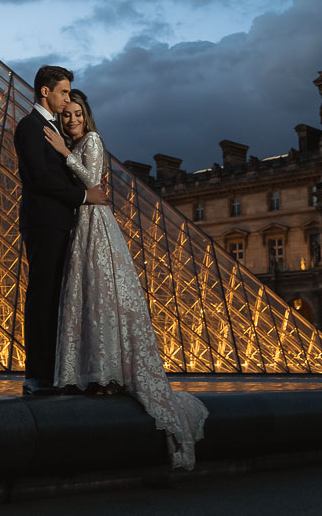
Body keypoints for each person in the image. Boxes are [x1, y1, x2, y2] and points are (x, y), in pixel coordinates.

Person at [44, 89, 208, 470]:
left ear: (87, 115)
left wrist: (63, 152)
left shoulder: (93, 141)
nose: (71, 120)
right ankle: (90, 373)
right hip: (82, 222)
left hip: (96, 224)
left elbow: (94, 181)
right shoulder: (77, 141)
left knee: (101, 294)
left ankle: (107, 373)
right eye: (66, 115)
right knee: (85, 296)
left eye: (77, 114)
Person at [14, 67, 107, 396]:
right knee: (42, 297)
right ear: (45, 92)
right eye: (64, 92)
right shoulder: (30, 126)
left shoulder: (53, 129)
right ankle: (36, 375)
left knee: (54, 298)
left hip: (60, 221)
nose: (68, 98)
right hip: (45, 221)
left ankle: (53, 372)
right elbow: (39, 177)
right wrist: (84, 196)